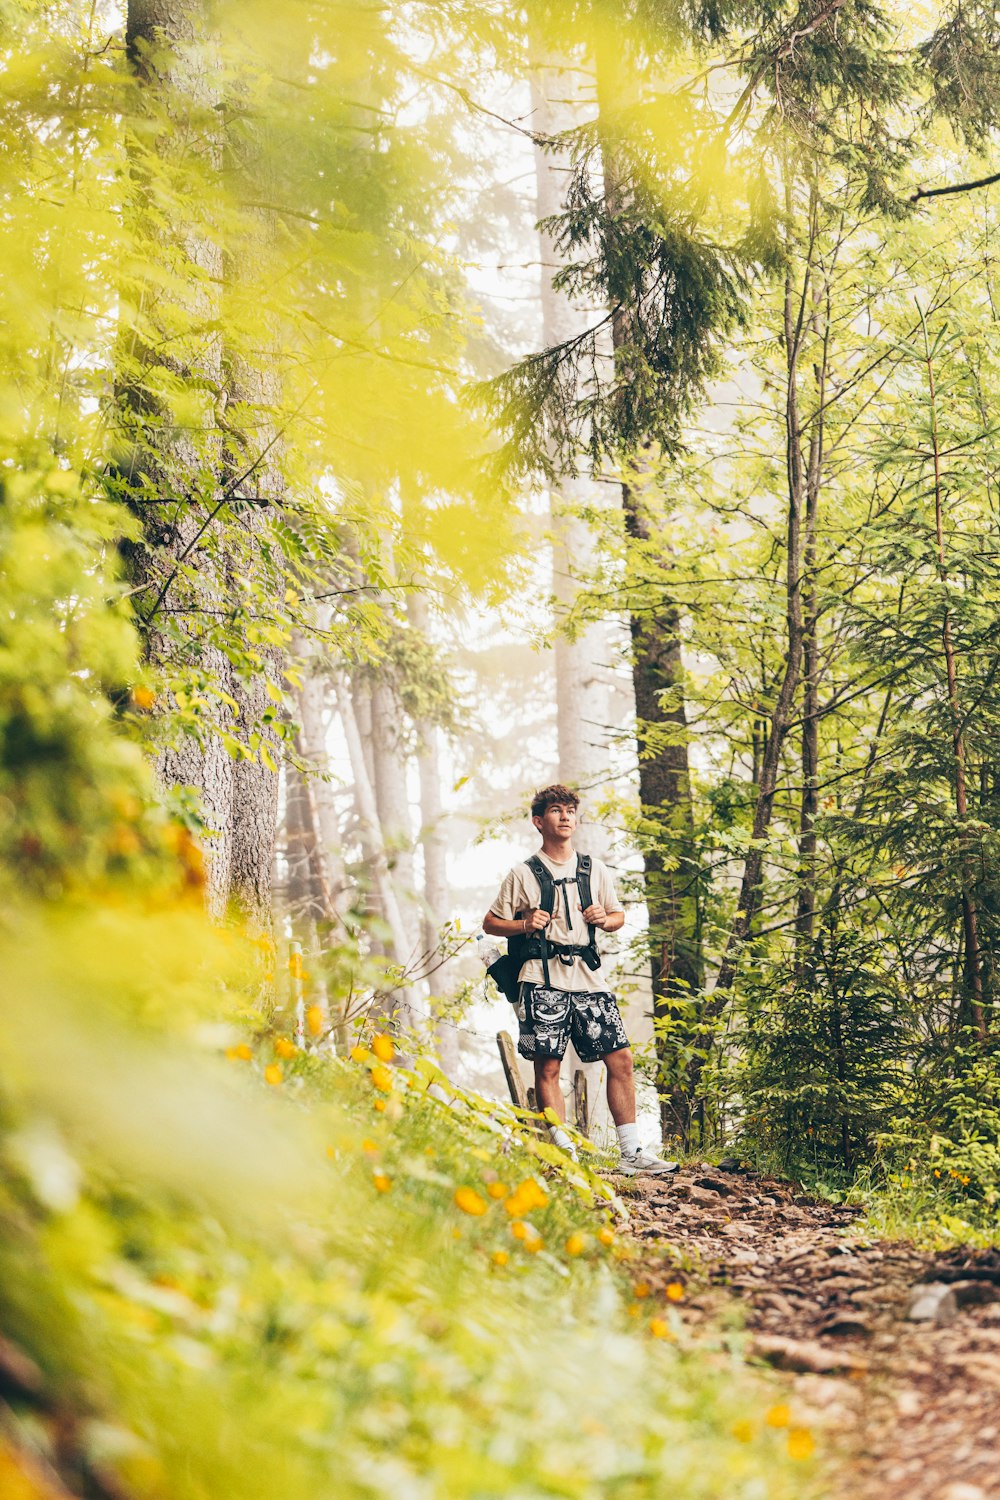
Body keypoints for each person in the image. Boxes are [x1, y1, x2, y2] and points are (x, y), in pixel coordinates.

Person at [483, 784, 677, 1176]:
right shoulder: (522, 874)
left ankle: (631, 1153)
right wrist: (523, 923)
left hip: (589, 977)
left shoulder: (595, 869)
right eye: (556, 810)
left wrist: (605, 920)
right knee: (548, 1066)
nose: (566, 816)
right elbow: (490, 923)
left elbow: (618, 915)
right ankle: (564, 1154)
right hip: (541, 978)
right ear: (540, 822)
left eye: (571, 810)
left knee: (620, 1058)